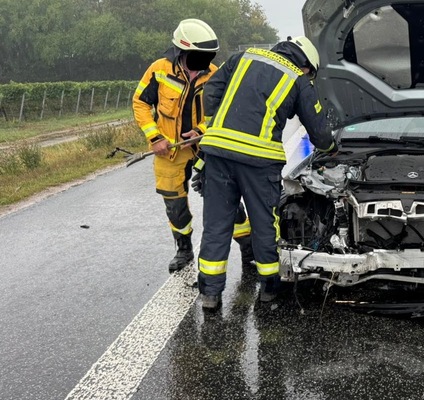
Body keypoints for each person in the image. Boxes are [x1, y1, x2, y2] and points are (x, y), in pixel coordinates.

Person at [197, 36, 338, 310]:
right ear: (307, 65)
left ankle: (210, 295)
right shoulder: (298, 80)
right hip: (259, 162)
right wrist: (331, 148)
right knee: (264, 224)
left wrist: (217, 128)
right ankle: (269, 290)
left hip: (217, 155)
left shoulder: (243, 57)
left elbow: (211, 92)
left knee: (216, 224)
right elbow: (319, 132)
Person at [132, 19, 253, 272]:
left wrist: (200, 131)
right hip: (169, 150)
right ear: (181, 51)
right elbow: (140, 103)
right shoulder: (159, 70)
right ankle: (183, 248)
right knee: (174, 204)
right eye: (198, 56)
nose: (204, 61)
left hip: (204, 147)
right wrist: (155, 138)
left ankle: (247, 246)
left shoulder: (215, 74)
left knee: (225, 197)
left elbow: (222, 111)